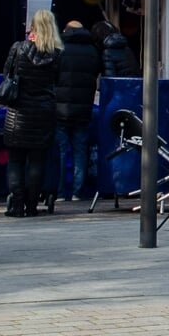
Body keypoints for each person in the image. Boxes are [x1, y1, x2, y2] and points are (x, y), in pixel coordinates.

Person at [1, 9, 62, 217]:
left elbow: (7, 73)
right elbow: (58, 82)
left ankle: (17, 206)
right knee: (38, 161)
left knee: (16, 160)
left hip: (18, 112)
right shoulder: (56, 54)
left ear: (33, 27)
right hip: (44, 112)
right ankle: (32, 205)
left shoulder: (18, 48)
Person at [53, 20, 103, 202]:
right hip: (84, 108)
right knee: (80, 151)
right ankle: (77, 191)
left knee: (61, 150)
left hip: (61, 108)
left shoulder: (60, 49)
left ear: (66, 31)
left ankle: (58, 192)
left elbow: (54, 76)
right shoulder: (92, 51)